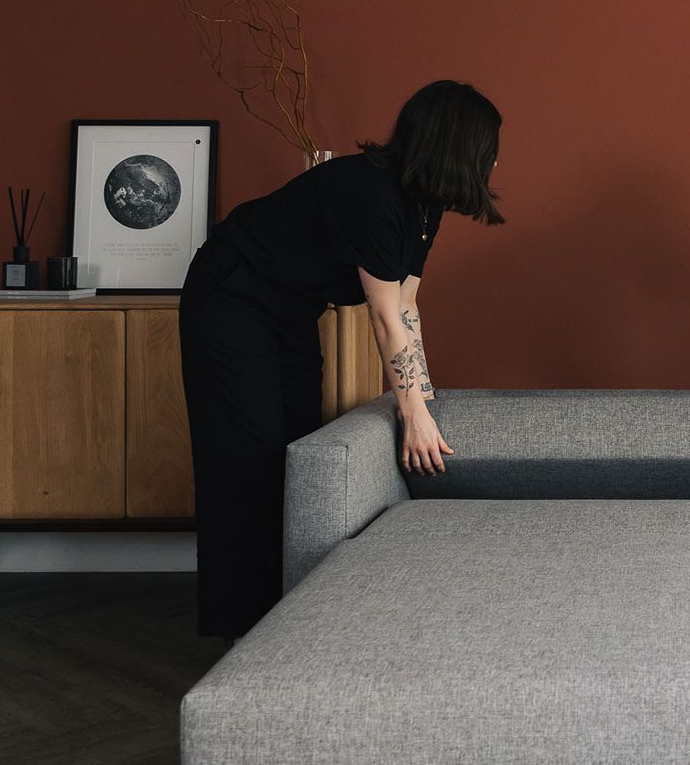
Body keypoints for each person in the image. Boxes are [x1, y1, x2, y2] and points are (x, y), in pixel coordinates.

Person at [179, 80, 504, 640]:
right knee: (246, 453)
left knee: (297, 447)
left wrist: (425, 400)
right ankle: (242, 629)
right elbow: (381, 318)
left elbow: (407, 307)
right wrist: (412, 417)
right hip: (231, 296)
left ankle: (287, 610)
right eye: (488, 147)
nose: (493, 159)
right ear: (459, 144)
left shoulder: (424, 206)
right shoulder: (372, 193)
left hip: (290, 308)